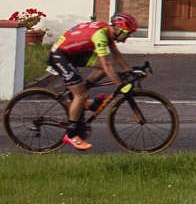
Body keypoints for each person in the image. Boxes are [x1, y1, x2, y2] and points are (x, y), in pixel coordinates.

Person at [46, 12, 140, 151]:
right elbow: (107, 64)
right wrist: (120, 85)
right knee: (81, 94)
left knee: (97, 74)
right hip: (61, 55)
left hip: (73, 52)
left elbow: (117, 55)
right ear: (118, 29)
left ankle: (82, 100)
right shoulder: (100, 35)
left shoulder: (108, 32)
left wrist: (130, 70)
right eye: (128, 32)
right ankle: (71, 135)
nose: (129, 36)